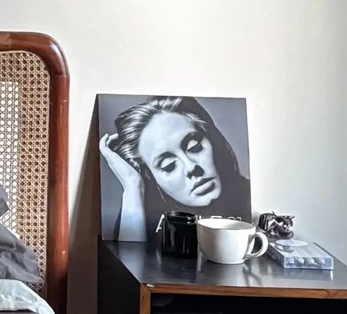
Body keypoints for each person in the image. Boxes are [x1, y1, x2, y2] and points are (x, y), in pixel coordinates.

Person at [99, 95, 250, 243]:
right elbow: (129, 256)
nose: (191, 167)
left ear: (212, 140)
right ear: (149, 175)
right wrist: (133, 185)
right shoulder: (142, 213)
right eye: (169, 165)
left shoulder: (248, 197)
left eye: (195, 147)